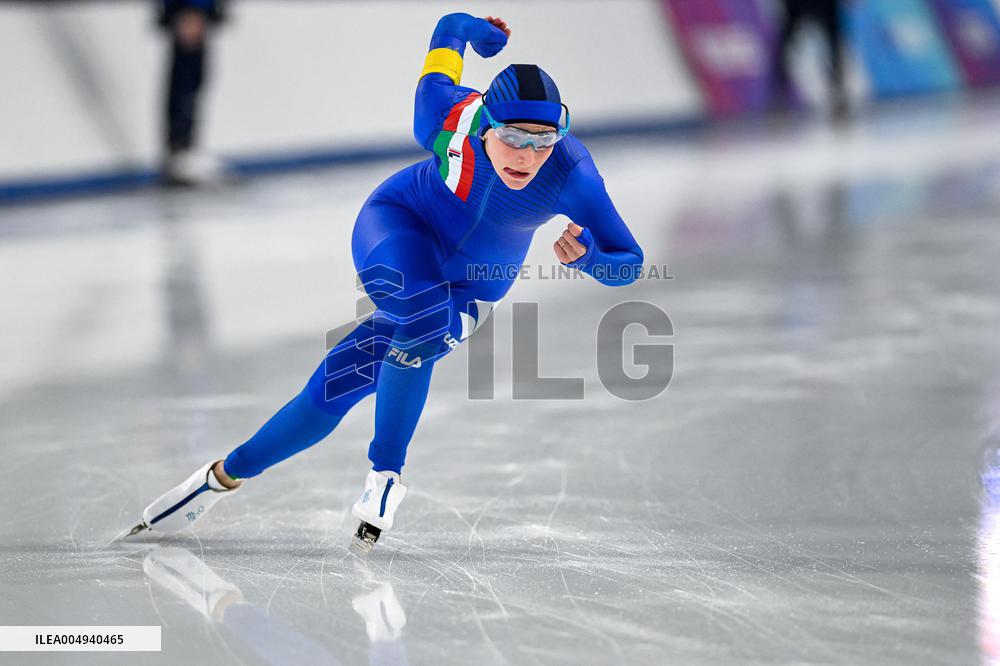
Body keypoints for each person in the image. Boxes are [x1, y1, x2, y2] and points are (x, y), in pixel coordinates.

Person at [124, 13, 644, 554]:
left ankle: (218, 479)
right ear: (486, 123)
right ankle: (386, 476)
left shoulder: (572, 172)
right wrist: (477, 30)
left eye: (544, 141)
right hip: (398, 225)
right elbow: (448, 32)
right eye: (514, 137)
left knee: (338, 383)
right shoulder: (444, 115)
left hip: (474, 287)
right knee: (422, 318)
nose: (528, 156)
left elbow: (629, 260)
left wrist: (587, 261)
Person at [158, 0, 228, 185]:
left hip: (197, 10)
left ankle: (186, 147)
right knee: (184, 80)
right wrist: (187, 10)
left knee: (196, 79)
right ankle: (179, 151)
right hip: (187, 10)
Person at [772, 0, 849, 120]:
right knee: (787, 45)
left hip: (824, 4)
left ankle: (838, 94)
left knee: (833, 45)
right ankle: (779, 96)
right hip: (798, 4)